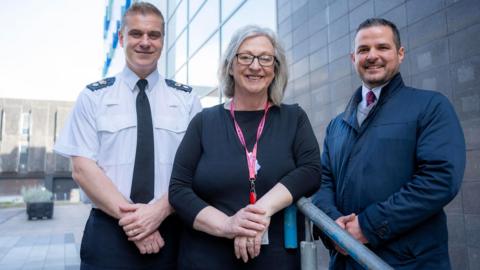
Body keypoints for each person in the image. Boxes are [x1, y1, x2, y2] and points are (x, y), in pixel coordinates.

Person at [54, 2, 201, 269]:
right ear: (122, 38)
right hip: (110, 233)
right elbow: (83, 168)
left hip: (173, 229)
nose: (145, 42)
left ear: (162, 41)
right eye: (136, 34)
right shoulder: (93, 97)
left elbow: (195, 168)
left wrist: (157, 213)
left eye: (153, 35)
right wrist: (137, 223)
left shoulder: (187, 100)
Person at [312, 18, 466, 269]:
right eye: (363, 50)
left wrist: (368, 226)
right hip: (346, 261)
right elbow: (323, 182)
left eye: (382, 47)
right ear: (353, 58)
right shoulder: (336, 125)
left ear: (400, 53)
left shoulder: (430, 107)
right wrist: (334, 227)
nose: (372, 56)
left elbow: (440, 178)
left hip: (408, 262)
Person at [168, 25, 321, 270]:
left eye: (265, 58)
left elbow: (311, 171)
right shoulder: (203, 122)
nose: (255, 65)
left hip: (277, 259)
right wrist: (228, 225)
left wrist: (259, 212)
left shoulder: (294, 118)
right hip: (206, 258)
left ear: (275, 68)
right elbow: (178, 189)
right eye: (245, 56)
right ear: (230, 65)